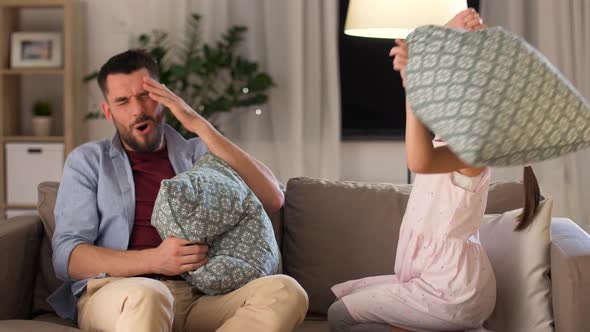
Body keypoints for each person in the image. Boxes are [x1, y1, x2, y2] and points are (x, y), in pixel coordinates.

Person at [50, 49, 308, 332]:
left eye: (145, 95)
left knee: (285, 291)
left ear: (164, 98)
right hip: (120, 293)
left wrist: (195, 122)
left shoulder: (198, 154)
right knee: (150, 295)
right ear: (108, 111)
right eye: (123, 101)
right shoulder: (88, 161)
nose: (137, 110)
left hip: (200, 298)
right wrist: (155, 259)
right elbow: (68, 257)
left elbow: (272, 197)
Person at [327, 8, 541, 332]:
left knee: (339, 314)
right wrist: (453, 28)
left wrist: (413, 88)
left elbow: (419, 160)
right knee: (353, 296)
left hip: (454, 292)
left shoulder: (474, 151)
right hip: (439, 281)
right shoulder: (452, 136)